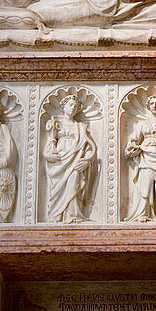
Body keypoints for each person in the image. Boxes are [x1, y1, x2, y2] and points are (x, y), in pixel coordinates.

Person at [43, 94, 97, 222]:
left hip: (76, 158)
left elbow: (91, 147)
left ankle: (73, 215)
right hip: (60, 160)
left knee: (74, 182)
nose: (73, 108)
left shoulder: (80, 127)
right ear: (64, 107)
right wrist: (48, 155)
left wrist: (87, 160)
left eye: (75, 106)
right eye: (70, 105)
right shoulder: (56, 123)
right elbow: (51, 142)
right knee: (58, 189)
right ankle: (57, 215)